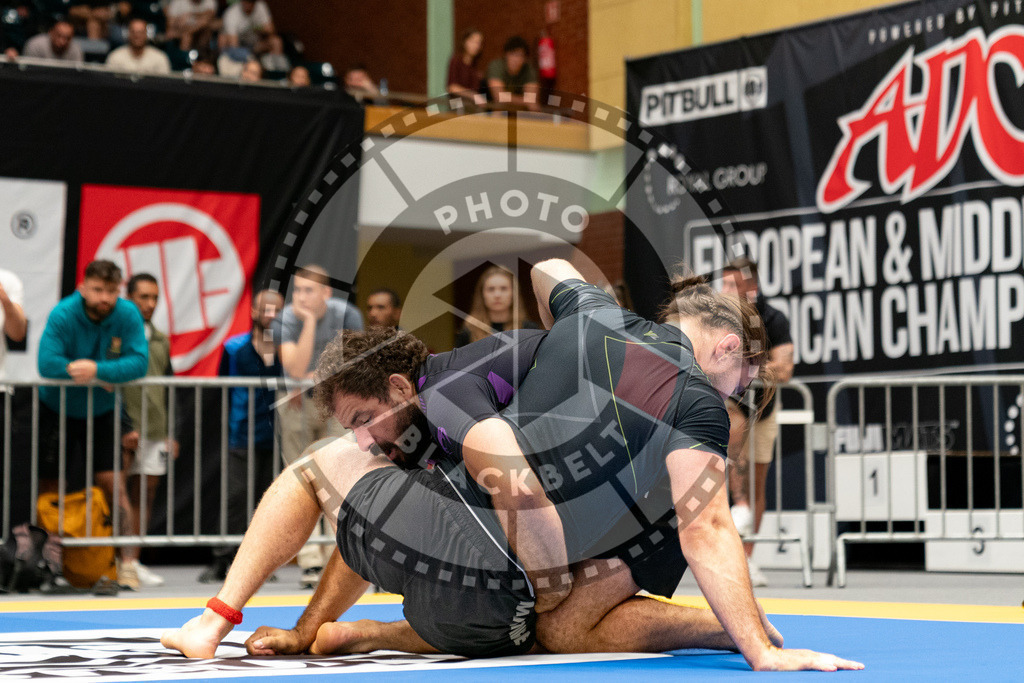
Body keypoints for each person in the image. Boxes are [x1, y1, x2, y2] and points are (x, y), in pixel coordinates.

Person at [282, 259, 860, 671]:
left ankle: (333, 628)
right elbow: (705, 527)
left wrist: (548, 347)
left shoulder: (592, 310)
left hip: (406, 525)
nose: (737, 395)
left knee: (386, 499)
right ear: (730, 347)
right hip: (502, 581)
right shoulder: (698, 400)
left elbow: (550, 266)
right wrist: (759, 646)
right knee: (555, 625)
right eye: (744, 383)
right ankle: (718, 629)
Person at [36, 260, 148, 586]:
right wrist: (85, 370)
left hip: (101, 412)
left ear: (119, 290)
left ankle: (127, 564)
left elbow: (138, 363)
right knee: (50, 489)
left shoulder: (126, 314)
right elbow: (47, 362)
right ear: (83, 288)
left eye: (111, 291)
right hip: (56, 409)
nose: (104, 298)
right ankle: (51, 565)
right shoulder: (64, 313)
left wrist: (97, 371)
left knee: (114, 486)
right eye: (98, 290)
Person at [274, 265, 362, 585]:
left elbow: (350, 366)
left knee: (338, 478)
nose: (301, 296)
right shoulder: (286, 318)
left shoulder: (347, 315)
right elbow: (295, 366)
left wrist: (310, 379)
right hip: (297, 405)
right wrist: (309, 322)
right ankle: (310, 559)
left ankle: (339, 557)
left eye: (309, 290)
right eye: (297, 290)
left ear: (326, 292)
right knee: (301, 479)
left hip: (336, 405)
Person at [199, 289, 284, 583]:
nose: (271, 315)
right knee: (234, 498)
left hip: (275, 435)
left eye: (277, 310)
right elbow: (223, 389)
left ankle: (259, 564)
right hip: (241, 432)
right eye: (266, 309)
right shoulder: (234, 347)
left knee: (267, 501)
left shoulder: (287, 350)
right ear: (253, 312)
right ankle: (222, 559)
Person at [720, 257, 794, 587]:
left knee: (758, 483)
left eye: (732, 285)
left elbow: (785, 369)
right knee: (733, 473)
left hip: (764, 409)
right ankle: (738, 509)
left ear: (752, 288)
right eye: (722, 284)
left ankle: (747, 560)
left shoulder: (773, 319)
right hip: (729, 404)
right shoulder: (716, 320)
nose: (724, 291)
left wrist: (748, 368)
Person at [120, 274, 176, 589]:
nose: (150, 304)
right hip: (126, 429)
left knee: (146, 495)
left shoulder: (161, 338)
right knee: (118, 495)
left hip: (156, 429)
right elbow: (111, 383)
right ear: (129, 297)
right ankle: (111, 560)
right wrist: (125, 425)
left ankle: (133, 561)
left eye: (154, 297)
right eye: (143, 297)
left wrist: (171, 431)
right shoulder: (116, 333)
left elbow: (169, 386)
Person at [454, 265, 538, 347]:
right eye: (491, 289)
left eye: (503, 288)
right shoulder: (469, 330)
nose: (497, 295)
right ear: (482, 294)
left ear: (513, 294)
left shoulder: (528, 329)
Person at [219, 0, 288, 72]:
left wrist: (257, 28)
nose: (249, 4)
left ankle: (276, 73)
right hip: (239, 46)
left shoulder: (261, 6)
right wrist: (247, 54)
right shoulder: (232, 13)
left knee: (276, 41)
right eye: (247, 2)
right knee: (223, 38)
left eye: (252, 2)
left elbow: (271, 30)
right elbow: (234, 44)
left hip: (255, 45)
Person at [486, 36, 539, 111]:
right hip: (492, 112)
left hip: (520, 114)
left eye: (520, 55)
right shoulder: (496, 66)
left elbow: (532, 99)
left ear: (525, 59)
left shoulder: (528, 69)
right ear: (506, 55)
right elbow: (499, 97)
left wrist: (510, 99)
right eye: (513, 54)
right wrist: (525, 101)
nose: (516, 59)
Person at [106, 18, 172, 75]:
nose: (137, 36)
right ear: (128, 34)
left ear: (147, 35)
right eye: (133, 32)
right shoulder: (115, 57)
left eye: (141, 32)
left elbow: (164, 84)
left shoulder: (160, 58)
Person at [446, 28, 483, 96]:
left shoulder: (475, 64)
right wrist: (472, 95)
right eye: (472, 41)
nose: (476, 46)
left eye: (478, 43)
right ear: (464, 41)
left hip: (471, 103)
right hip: (456, 102)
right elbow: (452, 87)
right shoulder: (456, 60)